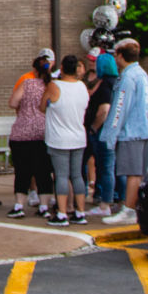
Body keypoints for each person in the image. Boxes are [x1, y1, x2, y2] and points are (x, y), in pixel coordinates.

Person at [101, 39, 148, 225]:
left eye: (116, 55)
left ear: (121, 55)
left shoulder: (128, 77)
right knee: (138, 172)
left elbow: (120, 107)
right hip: (144, 129)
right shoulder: (142, 74)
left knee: (132, 172)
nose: (115, 59)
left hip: (131, 131)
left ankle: (129, 210)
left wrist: (110, 134)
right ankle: (134, 208)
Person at [42, 54, 91, 225]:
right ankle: (80, 211)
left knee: (61, 176)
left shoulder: (54, 86)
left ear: (61, 68)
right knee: (77, 175)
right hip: (78, 136)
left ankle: (62, 213)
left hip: (59, 138)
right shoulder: (82, 87)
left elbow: (42, 106)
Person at [6, 53, 55, 219]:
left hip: (22, 132)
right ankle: (44, 206)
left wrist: (24, 109)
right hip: (43, 132)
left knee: (22, 171)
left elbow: (13, 102)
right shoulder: (51, 86)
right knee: (43, 171)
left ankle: (19, 205)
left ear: (34, 69)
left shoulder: (27, 84)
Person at [87, 51, 121, 214]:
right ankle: (115, 199)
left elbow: (105, 109)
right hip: (113, 131)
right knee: (111, 167)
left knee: (106, 167)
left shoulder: (107, 84)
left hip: (104, 131)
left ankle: (106, 203)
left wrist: (94, 126)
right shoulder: (115, 82)